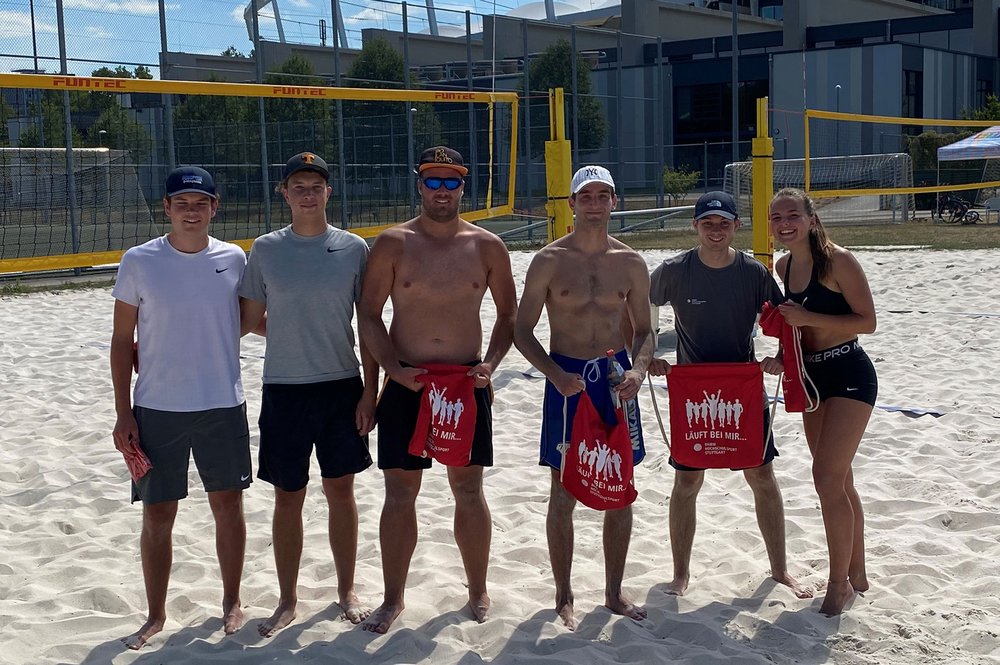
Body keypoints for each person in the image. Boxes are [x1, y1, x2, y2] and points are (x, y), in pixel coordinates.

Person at [358, 146, 517, 634]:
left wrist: (490, 364)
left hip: (465, 381)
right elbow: (368, 315)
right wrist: (388, 372)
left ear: (463, 186)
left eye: (452, 182)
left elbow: (508, 316)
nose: (442, 190)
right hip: (408, 379)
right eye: (433, 180)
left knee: (468, 488)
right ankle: (393, 598)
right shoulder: (393, 243)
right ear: (419, 184)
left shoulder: (487, 246)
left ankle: (478, 589)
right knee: (400, 492)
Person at [110, 166, 251, 649]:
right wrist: (123, 411)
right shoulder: (139, 260)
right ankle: (155, 614)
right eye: (182, 203)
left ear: (215, 208)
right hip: (157, 406)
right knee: (157, 514)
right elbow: (119, 341)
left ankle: (231, 601)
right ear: (166, 208)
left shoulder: (234, 258)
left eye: (201, 203)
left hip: (222, 402)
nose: (192, 211)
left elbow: (257, 320)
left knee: (228, 506)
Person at [648, 190, 811, 600]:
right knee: (687, 481)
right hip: (693, 387)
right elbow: (637, 308)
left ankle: (779, 570)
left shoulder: (753, 272)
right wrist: (646, 354)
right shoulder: (674, 270)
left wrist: (779, 356)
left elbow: (783, 319)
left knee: (761, 475)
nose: (716, 230)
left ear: (737, 226)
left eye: (724, 223)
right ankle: (680, 574)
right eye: (708, 223)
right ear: (695, 227)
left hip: (743, 385)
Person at [239, 152, 378, 635]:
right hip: (284, 388)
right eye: (297, 185)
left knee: (341, 491)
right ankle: (287, 599)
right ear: (284, 192)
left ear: (327, 193)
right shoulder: (266, 249)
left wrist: (370, 393)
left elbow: (370, 324)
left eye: (315, 186)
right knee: (288, 496)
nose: (306, 193)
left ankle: (346, 590)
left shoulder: (354, 248)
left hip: (342, 385)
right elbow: (246, 318)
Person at [514, 165, 654, 630]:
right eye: (585, 196)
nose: (594, 204)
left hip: (613, 380)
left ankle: (613, 592)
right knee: (563, 491)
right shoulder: (549, 261)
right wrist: (553, 375)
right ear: (571, 204)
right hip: (567, 378)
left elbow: (646, 331)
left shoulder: (631, 262)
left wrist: (637, 370)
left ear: (615, 201)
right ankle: (564, 594)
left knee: (620, 490)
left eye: (603, 195)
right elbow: (521, 329)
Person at [769, 187, 877, 616]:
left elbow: (867, 322)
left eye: (792, 215)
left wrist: (809, 317)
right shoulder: (783, 265)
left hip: (850, 373)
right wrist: (779, 357)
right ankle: (859, 573)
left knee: (827, 479)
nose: (784, 223)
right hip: (811, 377)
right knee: (841, 480)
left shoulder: (838, 261)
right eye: (776, 217)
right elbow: (798, 331)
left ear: (811, 219)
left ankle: (839, 586)